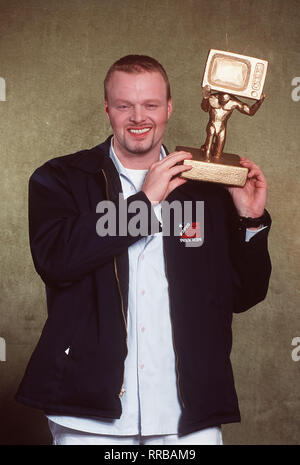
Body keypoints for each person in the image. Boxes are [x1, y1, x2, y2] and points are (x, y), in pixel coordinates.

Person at [16, 55, 272, 445]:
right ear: (107, 109)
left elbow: (243, 294)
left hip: (187, 414)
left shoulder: (204, 189)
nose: (139, 117)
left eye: (151, 105)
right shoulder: (61, 178)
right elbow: (58, 260)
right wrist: (143, 203)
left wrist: (251, 221)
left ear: (169, 108)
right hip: (89, 415)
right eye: (124, 105)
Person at [201, 84, 265, 160]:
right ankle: (206, 149)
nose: (223, 102)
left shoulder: (234, 102)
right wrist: (205, 98)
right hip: (212, 125)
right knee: (207, 154)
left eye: (226, 100)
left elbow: (250, 112)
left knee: (218, 155)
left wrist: (260, 101)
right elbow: (205, 108)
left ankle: (208, 150)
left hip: (222, 128)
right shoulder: (212, 98)